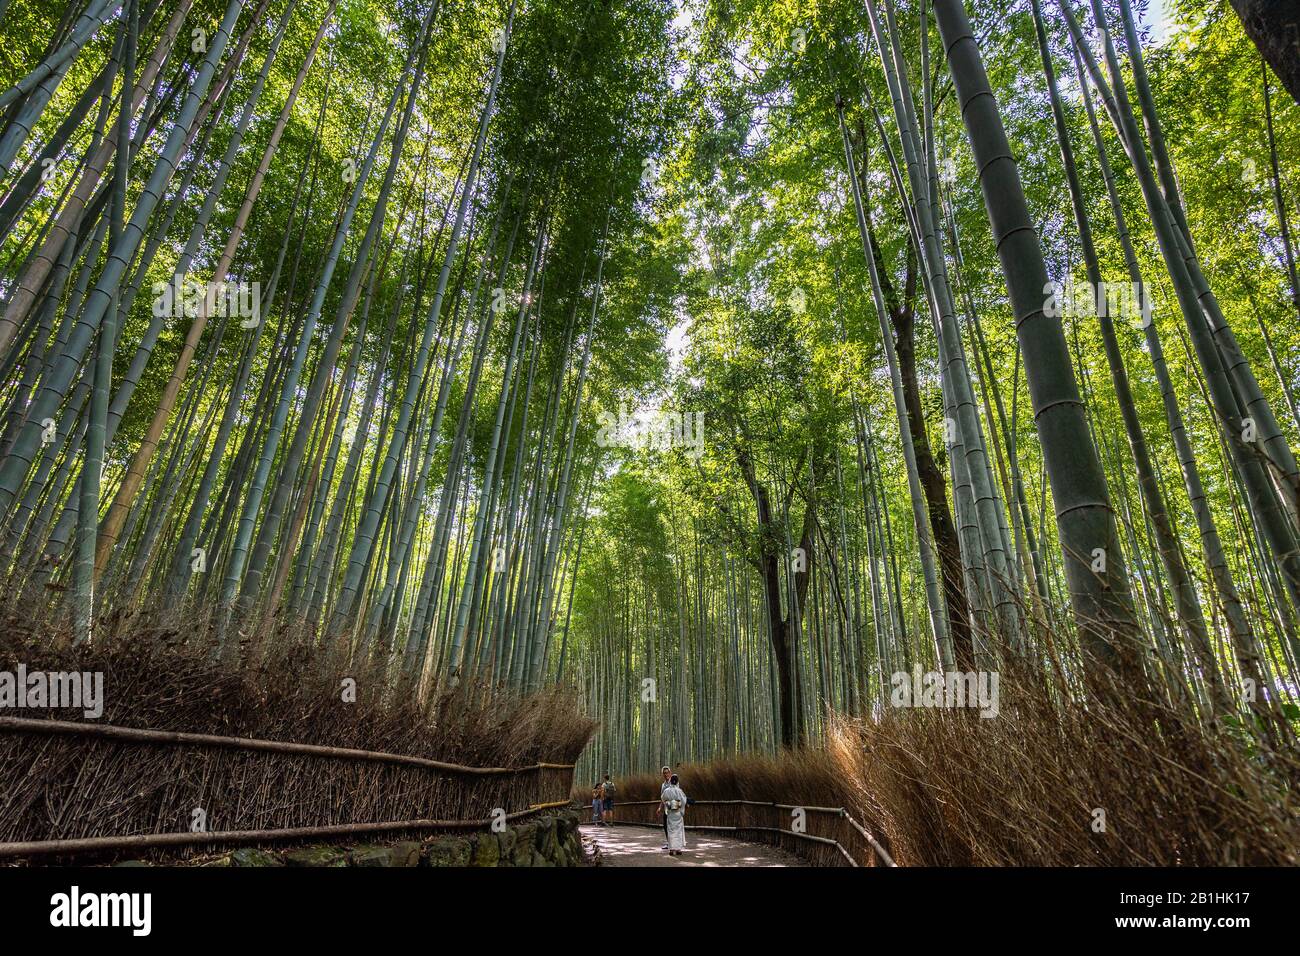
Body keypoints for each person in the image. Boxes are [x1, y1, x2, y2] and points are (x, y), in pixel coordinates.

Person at [661, 773, 688, 856]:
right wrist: (678, 805)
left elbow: (663, 798)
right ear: (677, 782)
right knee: (678, 831)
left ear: (671, 782)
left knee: (671, 831)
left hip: (670, 813)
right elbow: (684, 801)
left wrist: (669, 804)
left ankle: (672, 849)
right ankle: (678, 849)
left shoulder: (667, 791)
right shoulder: (680, 791)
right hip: (678, 813)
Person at [654, 765, 672, 847]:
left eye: (667, 773)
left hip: (673, 807)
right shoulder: (663, 785)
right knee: (665, 825)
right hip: (666, 808)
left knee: (673, 826)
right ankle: (669, 843)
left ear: (670, 773)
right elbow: (662, 798)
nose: (666, 775)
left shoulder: (674, 782)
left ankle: (675, 844)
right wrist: (659, 807)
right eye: (664, 773)